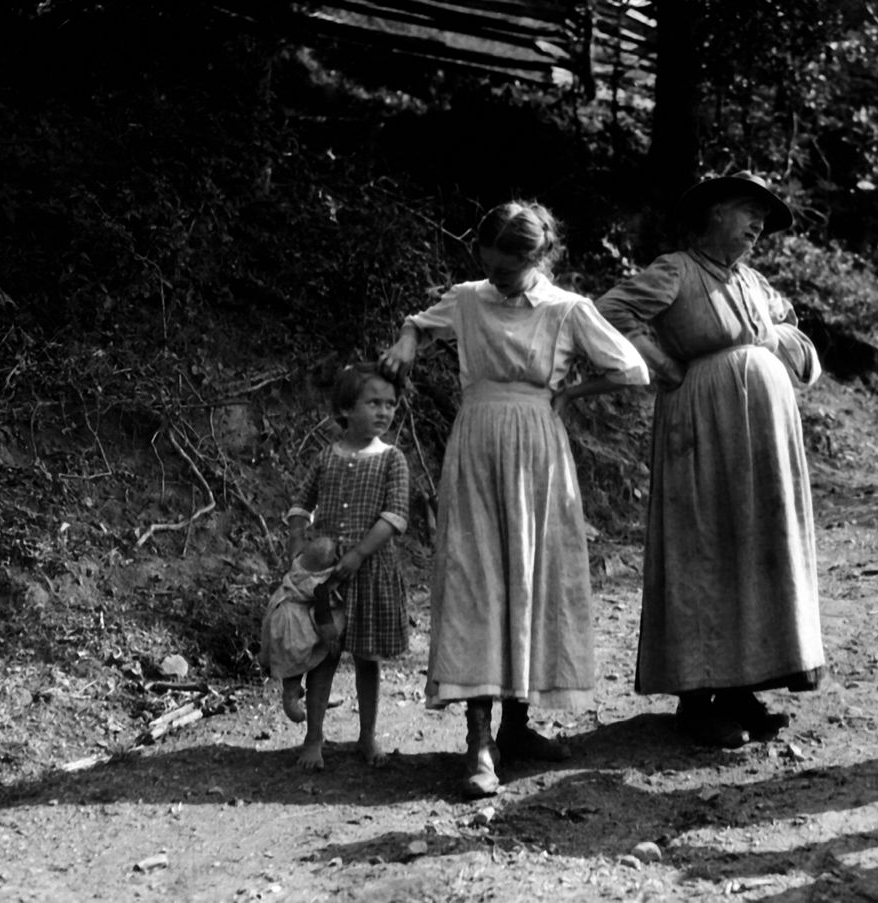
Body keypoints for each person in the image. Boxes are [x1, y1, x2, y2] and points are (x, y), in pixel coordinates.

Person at [379, 201, 649, 798]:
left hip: (538, 450)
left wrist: (570, 394)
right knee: (476, 581)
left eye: (509, 269)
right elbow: (419, 322)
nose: (495, 278)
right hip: (476, 444)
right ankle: (479, 740)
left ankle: (517, 727)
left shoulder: (565, 309)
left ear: (538, 258)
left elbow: (631, 369)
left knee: (530, 577)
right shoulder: (468, 299)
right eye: (489, 264)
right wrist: (407, 340)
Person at [594, 172, 825, 749]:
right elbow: (606, 314)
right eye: (748, 210)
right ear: (714, 213)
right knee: (705, 545)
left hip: (761, 435)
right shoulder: (675, 270)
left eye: (763, 218)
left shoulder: (752, 281)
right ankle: (697, 700)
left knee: (755, 543)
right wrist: (660, 364)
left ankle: (743, 687)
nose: (758, 225)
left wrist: (776, 343)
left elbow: (791, 333)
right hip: (702, 425)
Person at [284, 362, 410, 771]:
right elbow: (301, 504)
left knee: (367, 659)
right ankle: (314, 738)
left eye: (390, 404)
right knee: (323, 655)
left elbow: (394, 516)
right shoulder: (327, 456)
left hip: (371, 572)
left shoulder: (392, 459)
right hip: (328, 577)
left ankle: (367, 737)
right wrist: (299, 543)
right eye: (373, 403)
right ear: (345, 409)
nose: (384, 411)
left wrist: (357, 555)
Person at [259, 535, 345, 723]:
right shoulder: (319, 585)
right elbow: (322, 614)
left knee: (288, 660)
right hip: (295, 626)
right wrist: (331, 637)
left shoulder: (297, 568)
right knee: (296, 660)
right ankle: (290, 699)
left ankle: (292, 690)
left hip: (280, 611)